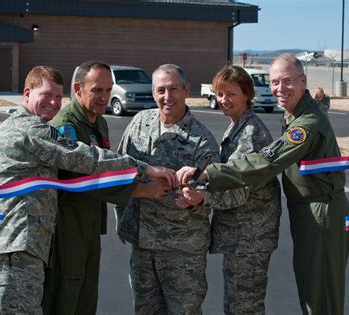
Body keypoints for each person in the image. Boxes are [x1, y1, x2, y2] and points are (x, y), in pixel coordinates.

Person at [0, 65, 176, 314]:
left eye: (58, 97)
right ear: (27, 93)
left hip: (14, 245)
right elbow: (83, 158)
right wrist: (145, 170)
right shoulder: (31, 130)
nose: (53, 103)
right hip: (15, 246)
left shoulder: (26, 126)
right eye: (46, 95)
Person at [177, 54, 349, 315]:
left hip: (321, 213)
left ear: (303, 81)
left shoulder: (306, 123)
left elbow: (264, 164)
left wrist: (207, 174)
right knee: (312, 291)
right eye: (274, 82)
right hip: (309, 211)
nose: (279, 89)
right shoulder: (296, 115)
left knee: (321, 295)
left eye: (287, 81)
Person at [44, 60, 151, 314]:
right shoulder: (65, 126)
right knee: (65, 292)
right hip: (68, 225)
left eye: (108, 89)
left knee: (87, 294)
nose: (104, 97)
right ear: (78, 89)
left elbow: (107, 168)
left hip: (90, 222)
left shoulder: (97, 122)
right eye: (97, 90)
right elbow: (79, 178)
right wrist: (143, 190)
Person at [115, 64, 222, 314]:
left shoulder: (201, 140)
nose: (167, 96)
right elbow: (121, 170)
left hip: (182, 250)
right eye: (161, 90)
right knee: (145, 310)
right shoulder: (140, 122)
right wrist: (121, 217)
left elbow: (218, 190)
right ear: (153, 93)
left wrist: (198, 197)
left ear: (186, 90)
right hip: (142, 246)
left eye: (173, 89)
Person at [177, 65, 282, 314]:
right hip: (242, 237)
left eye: (231, 94)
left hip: (249, 239)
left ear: (247, 94)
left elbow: (238, 189)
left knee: (243, 307)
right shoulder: (237, 126)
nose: (224, 100)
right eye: (220, 94)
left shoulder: (250, 133)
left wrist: (201, 197)